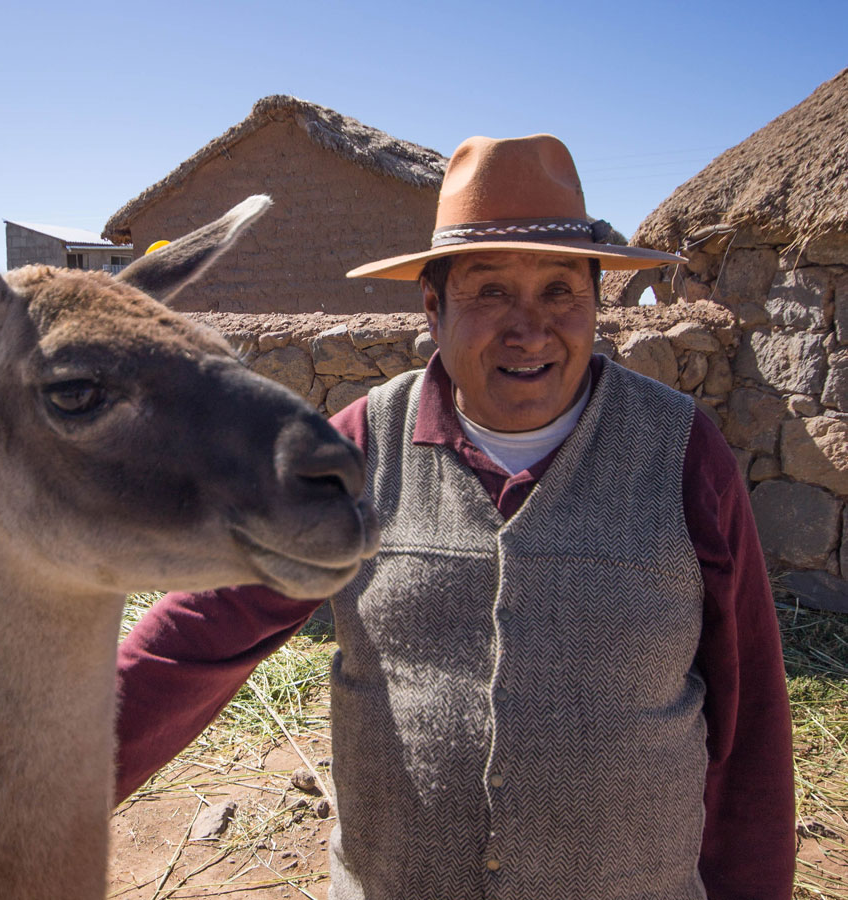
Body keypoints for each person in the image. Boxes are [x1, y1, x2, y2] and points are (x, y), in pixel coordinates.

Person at [116, 133, 795, 900]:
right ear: (433, 309)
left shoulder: (678, 451)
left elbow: (750, 711)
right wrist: (36, 786)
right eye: (490, 291)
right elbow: (195, 636)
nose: (528, 329)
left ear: (597, 306)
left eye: (559, 292)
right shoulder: (360, 447)